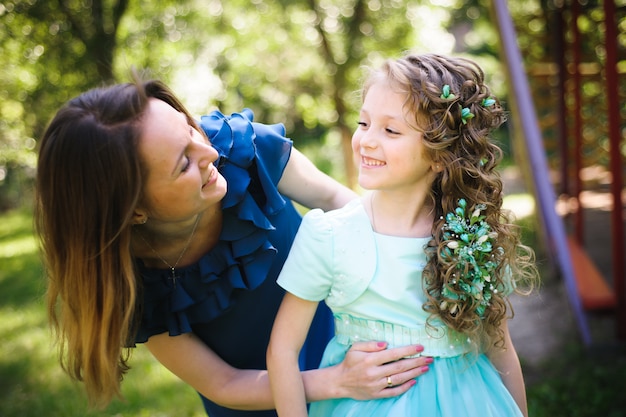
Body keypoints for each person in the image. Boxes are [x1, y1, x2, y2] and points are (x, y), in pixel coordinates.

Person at [34, 78, 435, 416]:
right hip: (261, 401)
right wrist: (337, 381)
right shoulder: (128, 282)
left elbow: (338, 202)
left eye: (190, 129)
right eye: (183, 164)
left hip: (363, 352)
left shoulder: (239, 149)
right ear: (134, 210)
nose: (210, 153)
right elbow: (222, 382)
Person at [267, 52, 539, 417]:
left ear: (440, 156)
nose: (366, 141)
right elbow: (282, 351)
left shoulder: (471, 237)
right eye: (363, 123)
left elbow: (500, 346)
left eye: (390, 130)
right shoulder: (330, 235)